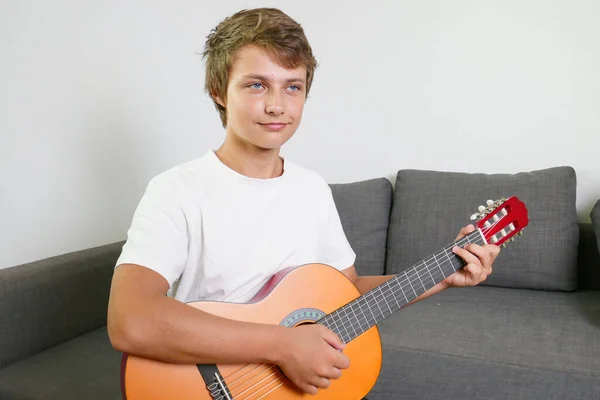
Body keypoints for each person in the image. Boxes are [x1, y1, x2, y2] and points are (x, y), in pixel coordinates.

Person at [107, 7, 500, 398]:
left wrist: (442, 276)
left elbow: (346, 294)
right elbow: (131, 319)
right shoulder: (178, 190)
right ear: (218, 90)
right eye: (257, 85)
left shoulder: (312, 189)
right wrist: (283, 344)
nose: (277, 105)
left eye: (292, 86)